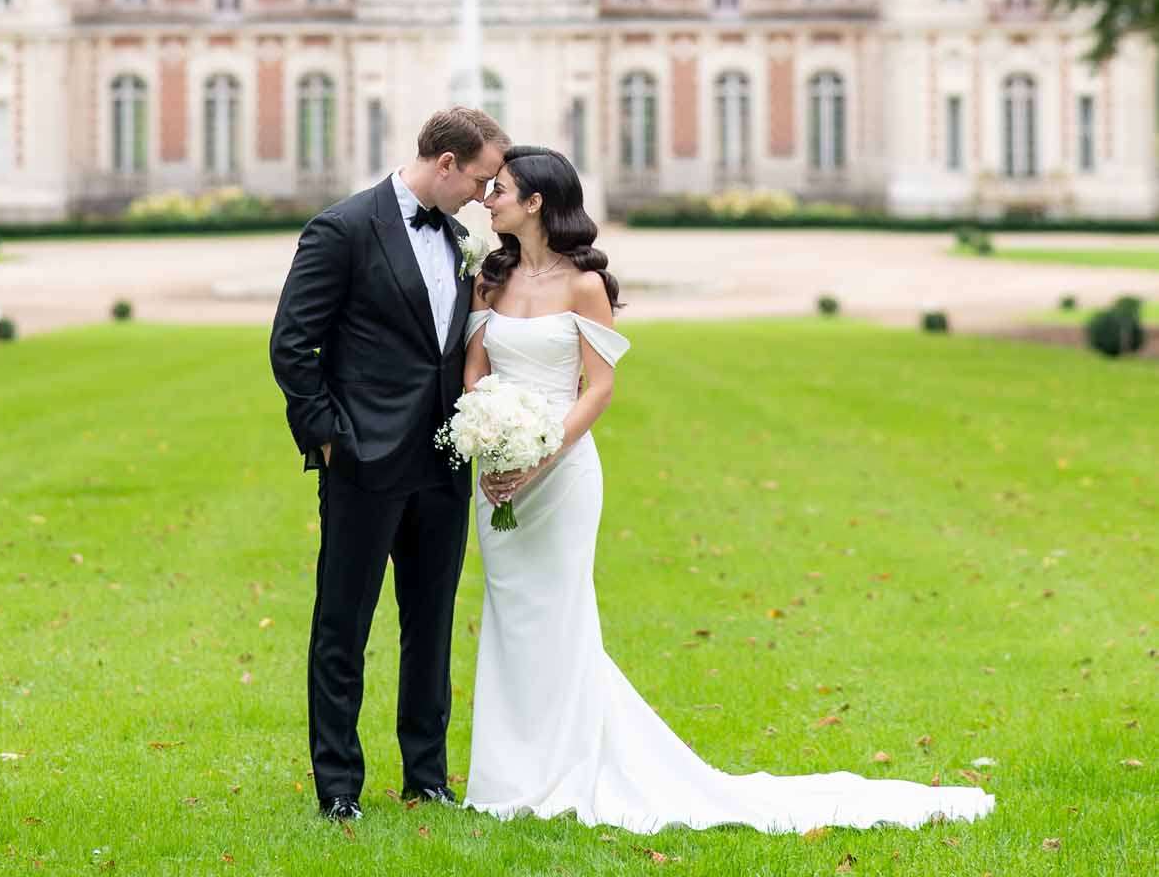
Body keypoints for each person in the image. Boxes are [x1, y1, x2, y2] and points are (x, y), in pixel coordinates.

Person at [462, 145, 996, 837]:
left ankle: (567, 766)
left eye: (498, 189)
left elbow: (601, 387)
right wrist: (489, 433)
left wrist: (537, 455)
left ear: (535, 201)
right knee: (509, 617)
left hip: (560, 474)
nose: (487, 198)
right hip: (496, 475)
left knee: (560, 614)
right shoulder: (491, 277)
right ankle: (509, 773)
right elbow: (475, 371)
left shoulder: (584, 283)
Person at [268, 105, 509, 824]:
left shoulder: (462, 239)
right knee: (344, 623)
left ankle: (425, 775)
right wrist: (329, 437)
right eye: (480, 178)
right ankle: (338, 784)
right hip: (362, 463)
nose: (484, 195)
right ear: (445, 164)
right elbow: (292, 343)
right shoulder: (343, 228)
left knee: (430, 624)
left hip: (443, 461)